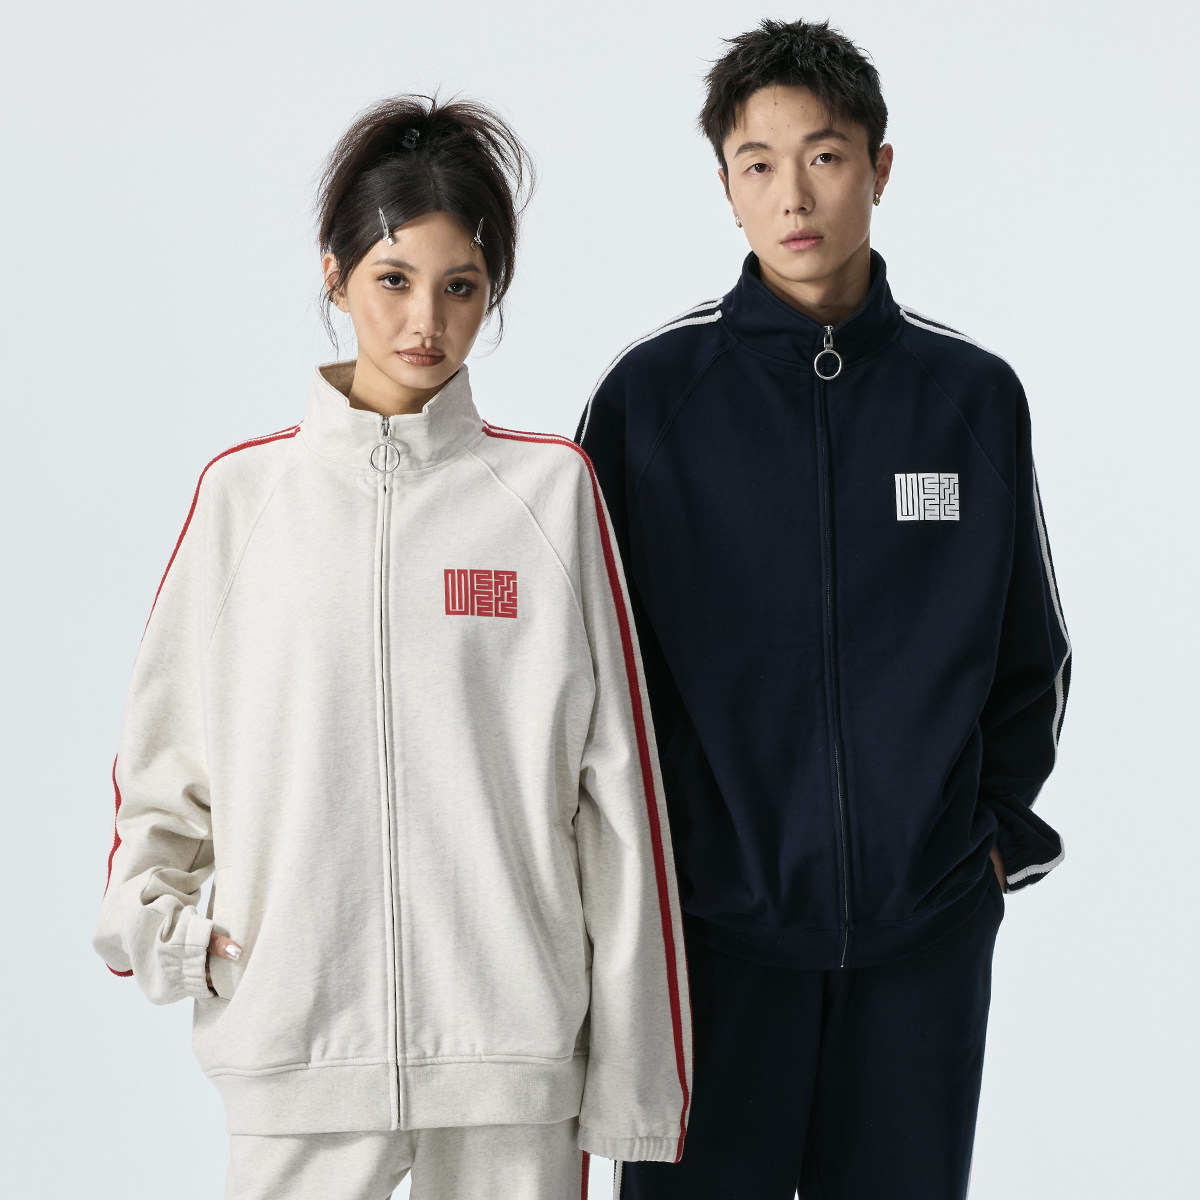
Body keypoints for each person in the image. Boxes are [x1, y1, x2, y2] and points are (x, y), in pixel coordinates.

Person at [94, 95, 691, 1200]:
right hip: (295, 1047)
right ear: (335, 276)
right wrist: (169, 938)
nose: (426, 320)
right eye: (394, 279)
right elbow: (164, 772)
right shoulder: (244, 501)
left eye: (461, 286)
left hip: (512, 1064)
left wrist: (634, 1090)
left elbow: (620, 806)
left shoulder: (549, 495)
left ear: (491, 291)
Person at [575, 19, 1070, 1200]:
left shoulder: (971, 397)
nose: (793, 196)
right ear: (726, 188)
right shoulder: (651, 400)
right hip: (709, 945)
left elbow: (1030, 649)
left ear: (879, 169)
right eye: (758, 164)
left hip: (922, 945)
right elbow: (586, 672)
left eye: (826, 156)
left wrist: (984, 845)